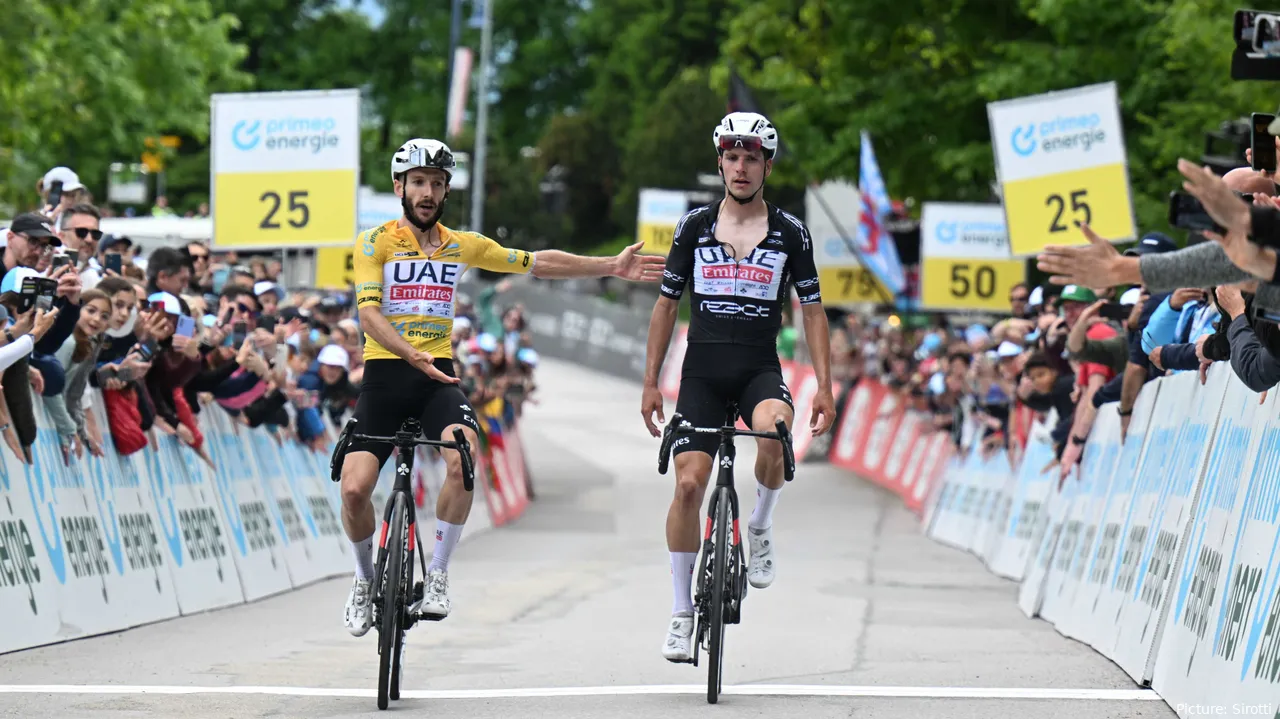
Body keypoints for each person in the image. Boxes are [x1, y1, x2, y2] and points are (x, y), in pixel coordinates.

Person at [338, 138, 665, 637]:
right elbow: (367, 313)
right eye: (419, 182)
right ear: (399, 186)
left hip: (438, 379)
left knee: (463, 458)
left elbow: (537, 261)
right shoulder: (374, 242)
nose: (427, 192)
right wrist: (409, 353)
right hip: (386, 375)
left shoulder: (461, 245)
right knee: (355, 490)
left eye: (437, 184)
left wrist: (609, 265)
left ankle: (440, 575)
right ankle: (364, 582)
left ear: (446, 192)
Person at [638, 112, 836, 663]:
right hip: (700, 373)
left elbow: (813, 311)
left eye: (752, 157)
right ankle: (681, 612)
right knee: (687, 485)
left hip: (757, 369)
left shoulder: (790, 232)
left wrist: (825, 385)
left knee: (776, 431)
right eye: (732, 156)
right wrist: (651, 382)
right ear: (720, 161)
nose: (741, 166)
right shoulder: (694, 226)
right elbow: (665, 305)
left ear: (767, 165)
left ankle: (760, 523)